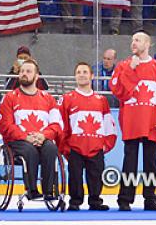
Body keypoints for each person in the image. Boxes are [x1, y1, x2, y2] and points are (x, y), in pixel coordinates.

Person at [110, 29, 156, 211]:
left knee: (151, 162)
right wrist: (131, 70)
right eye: (132, 40)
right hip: (131, 121)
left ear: (147, 44)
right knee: (129, 160)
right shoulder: (123, 66)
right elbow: (118, 91)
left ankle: (150, 198)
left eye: (138, 40)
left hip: (152, 123)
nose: (134, 43)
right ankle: (125, 198)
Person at [0, 59, 63, 202]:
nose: (24, 74)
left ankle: (48, 190)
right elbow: (5, 125)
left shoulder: (48, 99)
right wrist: (25, 137)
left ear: (36, 76)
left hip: (41, 139)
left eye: (28, 71)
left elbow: (56, 124)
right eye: (22, 71)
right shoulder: (10, 98)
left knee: (51, 148)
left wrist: (44, 135)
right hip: (18, 142)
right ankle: (32, 189)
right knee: (29, 150)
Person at [60, 62, 115, 211]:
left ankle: (95, 201)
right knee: (75, 176)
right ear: (75, 76)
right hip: (75, 146)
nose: (82, 75)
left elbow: (108, 124)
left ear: (92, 76)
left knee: (96, 175)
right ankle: (75, 201)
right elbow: (62, 125)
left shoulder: (101, 100)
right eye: (78, 72)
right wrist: (65, 147)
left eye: (85, 72)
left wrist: (106, 144)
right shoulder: (67, 99)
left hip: (96, 146)